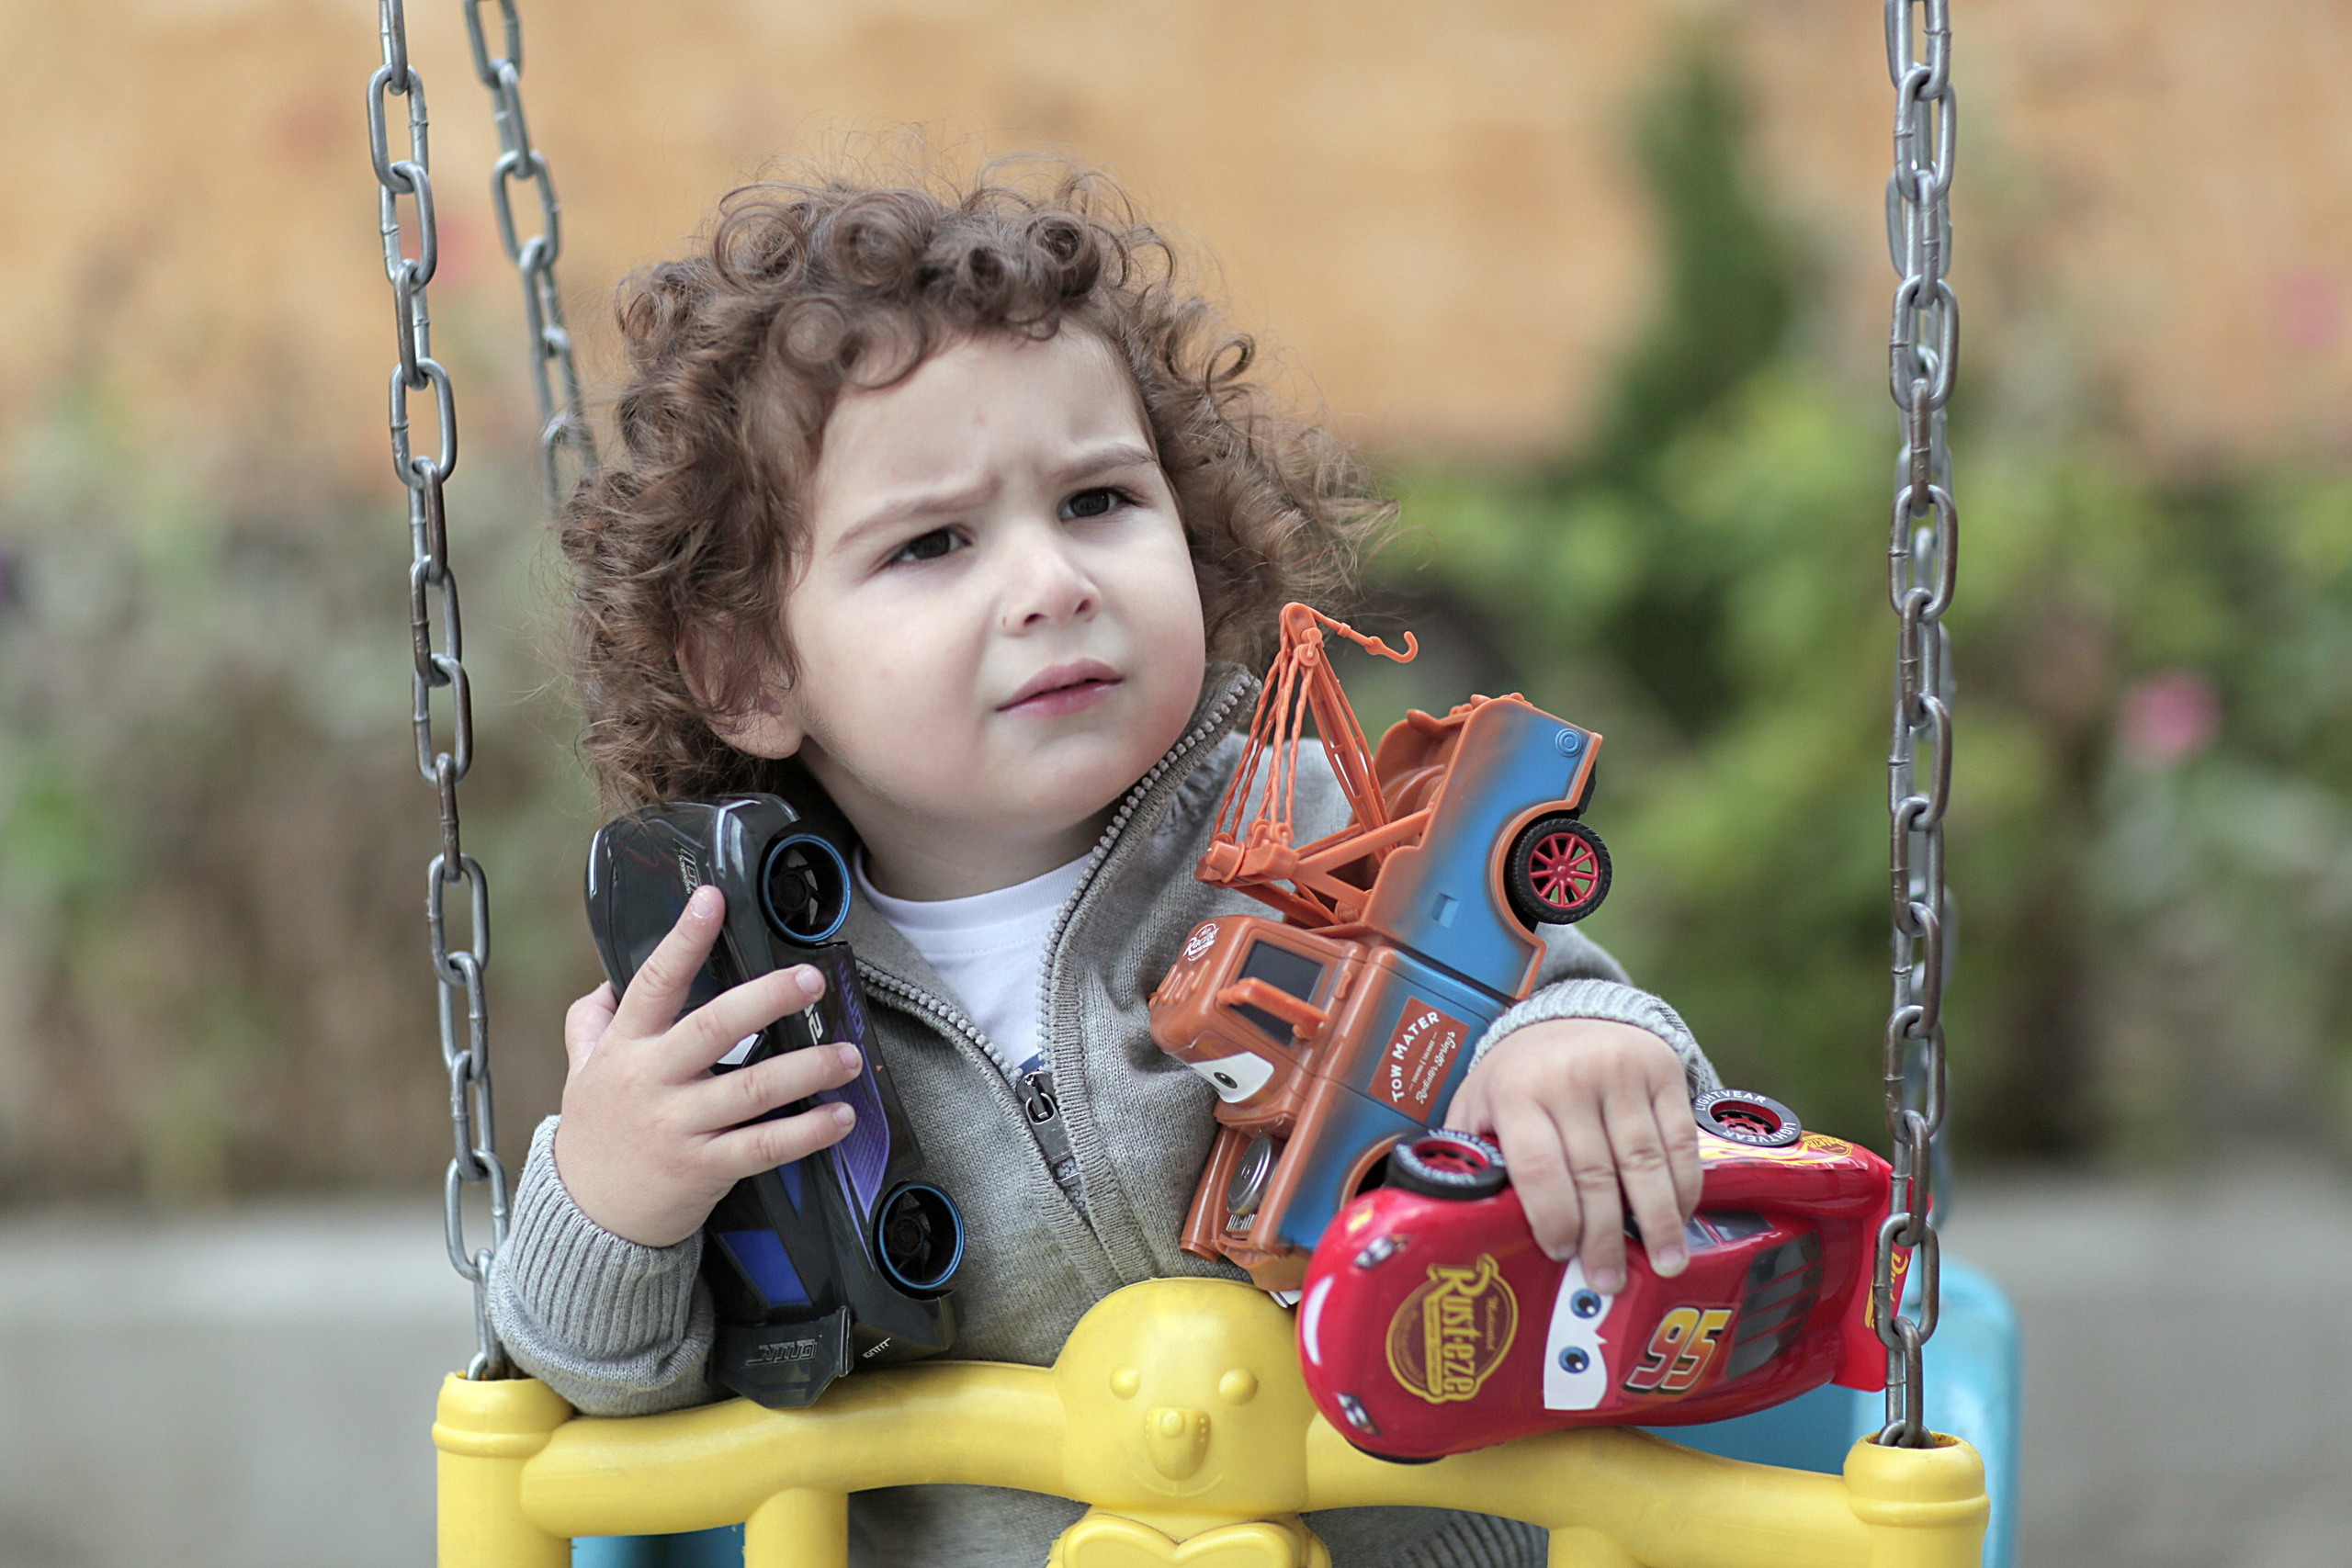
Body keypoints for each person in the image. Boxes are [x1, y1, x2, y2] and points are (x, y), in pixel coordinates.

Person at [490, 163, 1721, 1567]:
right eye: (936, 542)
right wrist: (613, 1197)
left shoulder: (1323, 837)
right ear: (753, 674)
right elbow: (611, 1392)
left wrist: (1573, 1050)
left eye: (1097, 503)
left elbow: (1630, 1068)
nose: (1053, 582)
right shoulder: (752, 1006)